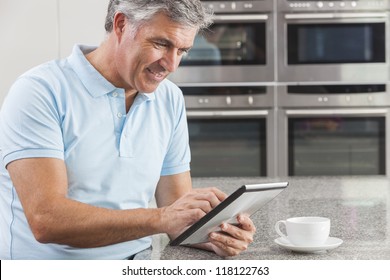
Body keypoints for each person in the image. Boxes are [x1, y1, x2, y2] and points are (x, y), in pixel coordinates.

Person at [0, 0, 256, 260]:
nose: (171, 64)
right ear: (121, 24)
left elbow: (176, 214)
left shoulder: (169, 98)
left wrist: (215, 234)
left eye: (182, 50)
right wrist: (163, 217)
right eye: (161, 44)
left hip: (136, 264)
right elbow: (46, 219)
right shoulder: (40, 91)